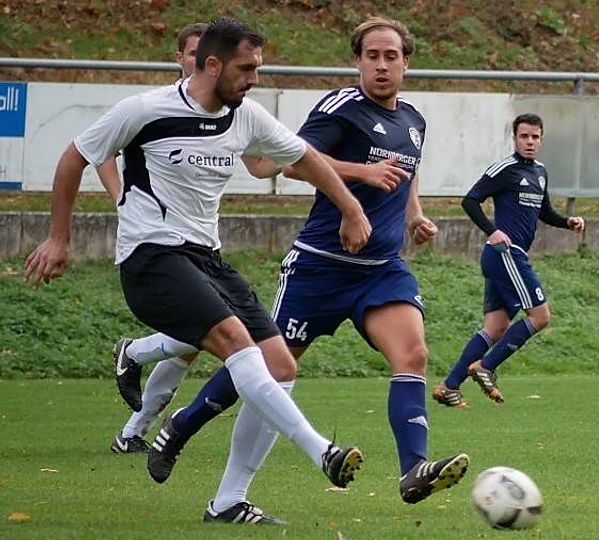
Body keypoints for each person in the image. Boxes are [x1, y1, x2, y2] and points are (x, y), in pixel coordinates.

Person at [24, 17, 371, 524]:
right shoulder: (145, 110)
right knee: (236, 342)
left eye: (258, 68)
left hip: (207, 258)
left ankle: (228, 501)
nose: (254, 79)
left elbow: (308, 157)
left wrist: (351, 208)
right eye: (246, 69)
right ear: (212, 65)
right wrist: (59, 238)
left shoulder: (246, 116)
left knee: (281, 366)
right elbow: (74, 157)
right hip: (151, 257)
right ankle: (322, 451)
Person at [142, 17, 470, 507]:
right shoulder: (341, 108)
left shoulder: (413, 120)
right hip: (320, 267)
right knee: (267, 365)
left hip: (381, 269)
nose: (381, 66)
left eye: (391, 57)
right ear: (357, 61)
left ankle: (413, 468)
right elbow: (295, 160)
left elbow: (406, 171)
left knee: (413, 356)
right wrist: (359, 179)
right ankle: (181, 425)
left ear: (407, 63)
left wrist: (414, 215)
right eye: (372, 56)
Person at [106, 22, 285, 455]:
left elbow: (259, 165)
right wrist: (121, 198)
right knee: (210, 336)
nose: (196, 61)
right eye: (190, 54)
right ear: (184, 60)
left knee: (197, 343)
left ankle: (133, 408)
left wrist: (300, 158)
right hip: (158, 247)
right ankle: (135, 416)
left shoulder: (229, 112)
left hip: (204, 248)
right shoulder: (153, 110)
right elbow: (98, 152)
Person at [432, 113, 585, 407]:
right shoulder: (505, 169)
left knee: (496, 328)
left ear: (542, 140)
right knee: (541, 317)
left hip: (509, 257)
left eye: (535, 137)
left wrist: (568, 222)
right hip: (505, 254)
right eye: (524, 136)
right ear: (514, 138)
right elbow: (470, 200)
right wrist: (493, 231)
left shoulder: (540, 172)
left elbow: (544, 212)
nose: (530, 142)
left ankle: (449, 386)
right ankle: (485, 366)